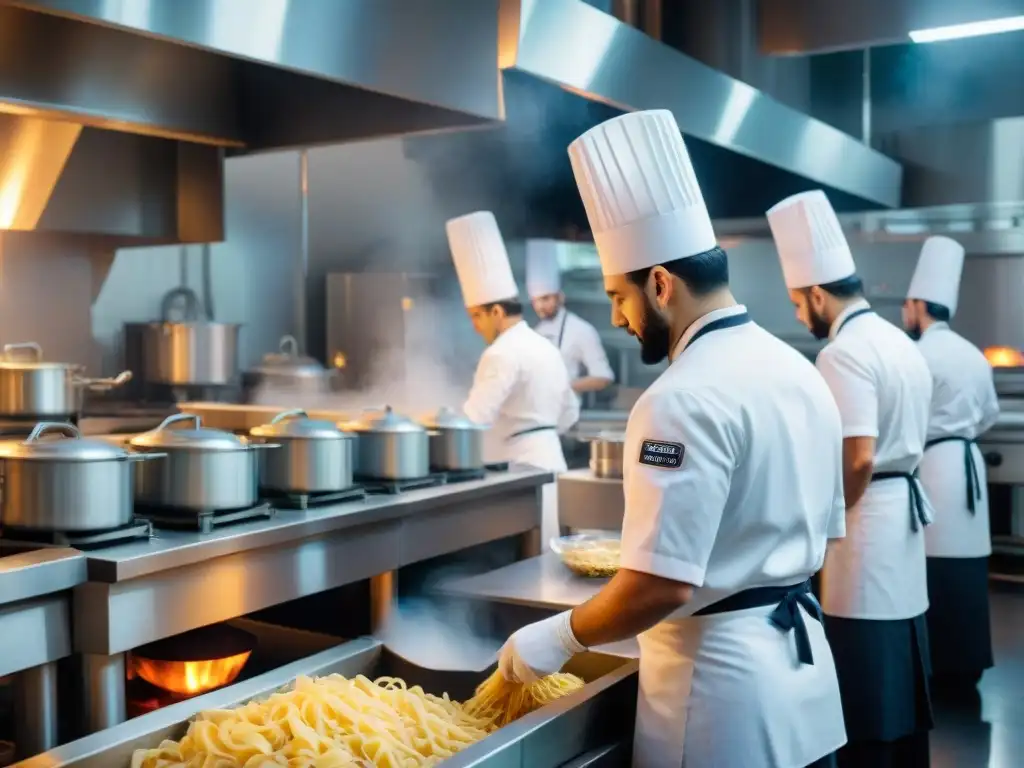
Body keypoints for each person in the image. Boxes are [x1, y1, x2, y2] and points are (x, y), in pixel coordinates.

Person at [497, 109, 846, 768]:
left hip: (722, 704)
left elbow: (661, 587)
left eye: (618, 296)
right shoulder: (799, 371)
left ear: (660, 283)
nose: (617, 317)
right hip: (802, 684)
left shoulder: (678, 398)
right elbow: (823, 538)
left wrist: (557, 637)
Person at [766, 190, 935, 767]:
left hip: (871, 526)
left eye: (796, 303)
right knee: (901, 650)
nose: (797, 315)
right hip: (903, 521)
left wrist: (824, 531)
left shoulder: (843, 353)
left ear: (818, 293)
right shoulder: (898, 341)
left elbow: (858, 458)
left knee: (866, 660)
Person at [445, 211, 580, 543]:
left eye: (476, 317)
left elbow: (475, 419)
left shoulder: (500, 353)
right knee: (549, 558)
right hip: (551, 460)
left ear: (495, 312)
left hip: (519, 474)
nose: (475, 327)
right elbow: (570, 412)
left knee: (524, 563)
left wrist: (441, 426)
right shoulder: (544, 346)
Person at [903, 235, 999, 691]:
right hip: (968, 463)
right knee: (969, 569)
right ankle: (969, 663)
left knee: (934, 569)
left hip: (937, 465)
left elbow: (907, 421)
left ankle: (937, 666)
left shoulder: (918, 356)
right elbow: (989, 415)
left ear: (918, 305)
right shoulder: (972, 354)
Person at [526, 239, 615, 396]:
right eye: (535, 301)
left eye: (546, 298)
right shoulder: (535, 332)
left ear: (560, 297)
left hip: (565, 415)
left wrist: (565, 389)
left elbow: (603, 377)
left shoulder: (581, 330)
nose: (540, 306)